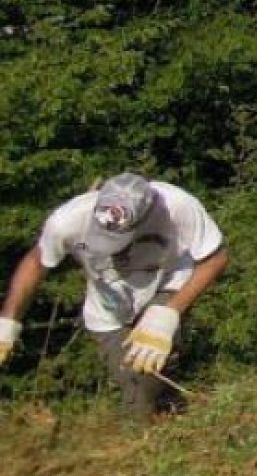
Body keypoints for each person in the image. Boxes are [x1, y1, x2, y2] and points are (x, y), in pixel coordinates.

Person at [0, 172, 229, 418]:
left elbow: (216, 258)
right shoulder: (67, 221)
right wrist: (8, 323)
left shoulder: (177, 205)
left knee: (145, 375)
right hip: (109, 308)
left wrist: (169, 313)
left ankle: (151, 436)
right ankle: (167, 413)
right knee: (129, 378)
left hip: (167, 283)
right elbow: (36, 263)